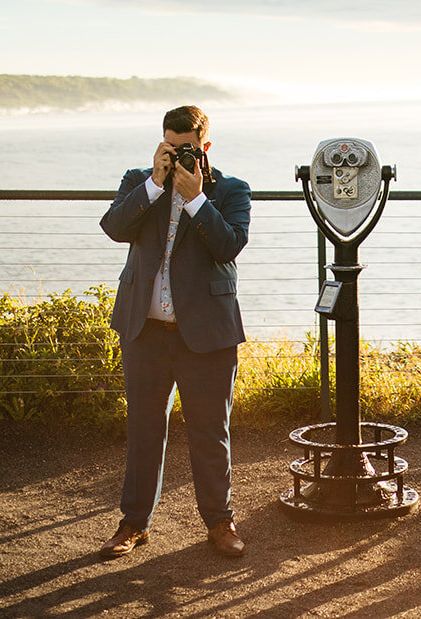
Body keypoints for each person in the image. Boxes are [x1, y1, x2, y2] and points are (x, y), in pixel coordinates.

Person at [97, 105, 251, 560]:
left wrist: (198, 199)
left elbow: (229, 245)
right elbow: (113, 227)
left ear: (205, 147)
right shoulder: (140, 181)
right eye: (170, 144)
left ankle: (220, 523)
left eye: (187, 147)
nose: (179, 153)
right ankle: (134, 524)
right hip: (145, 329)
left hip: (205, 332)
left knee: (210, 432)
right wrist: (155, 182)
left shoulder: (232, 190)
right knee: (143, 429)